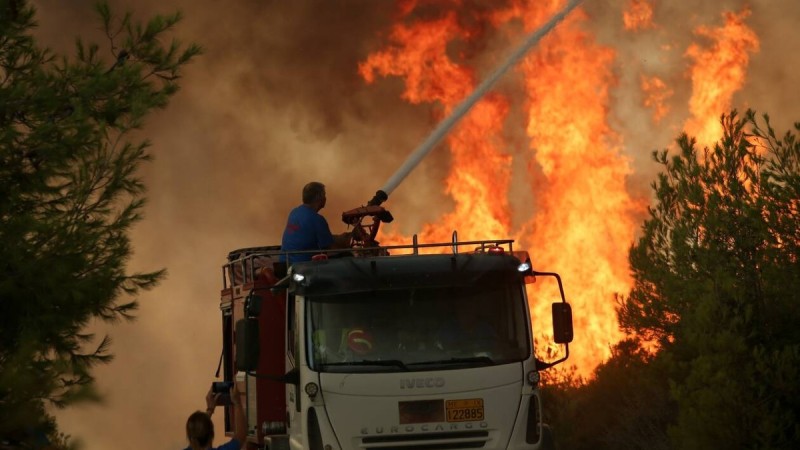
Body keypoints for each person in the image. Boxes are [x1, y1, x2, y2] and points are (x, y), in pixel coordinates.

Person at [280, 181, 351, 263]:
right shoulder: (317, 219)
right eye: (324, 194)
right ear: (318, 196)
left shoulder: (294, 212)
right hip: (302, 265)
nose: (325, 198)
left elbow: (314, 235)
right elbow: (330, 246)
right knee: (347, 255)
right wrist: (347, 242)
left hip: (284, 261)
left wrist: (343, 236)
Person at [184, 383, 246, 450]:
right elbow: (240, 435)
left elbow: (196, 435)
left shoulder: (193, 442)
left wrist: (210, 409)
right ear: (212, 434)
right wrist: (237, 402)